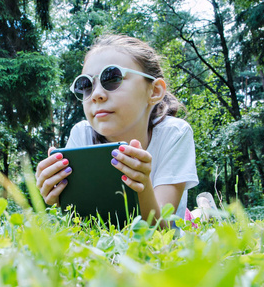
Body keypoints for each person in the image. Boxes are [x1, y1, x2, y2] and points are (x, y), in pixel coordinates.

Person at [35, 34, 199, 224]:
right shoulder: (81, 134)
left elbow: (162, 231)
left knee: (196, 218)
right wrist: (58, 198)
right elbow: (79, 225)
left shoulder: (175, 133)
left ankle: (202, 210)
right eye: (86, 85)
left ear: (154, 91)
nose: (96, 94)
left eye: (112, 78)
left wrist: (142, 186)